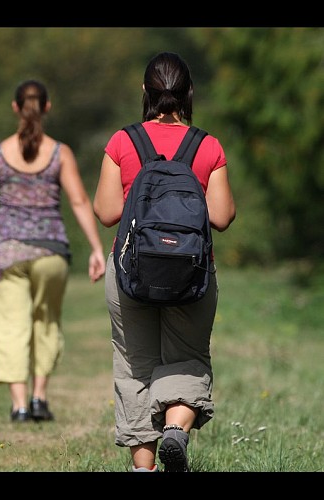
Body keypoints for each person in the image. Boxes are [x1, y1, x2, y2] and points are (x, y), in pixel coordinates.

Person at [93, 52, 236, 471]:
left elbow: (106, 213)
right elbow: (223, 217)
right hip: (190, 274)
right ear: (189, 92)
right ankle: (176, 429)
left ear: (146, 92)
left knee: (135, 366)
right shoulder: (207, 145)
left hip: (130, 272)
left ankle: (144, 468)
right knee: (187, 358)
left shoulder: (124, 142)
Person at [0, 79, 106, 423]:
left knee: (11, 326)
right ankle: (39, 399)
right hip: (51, 253)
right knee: (45, 323)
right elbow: (79, 200)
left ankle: (18, 406)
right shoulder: (60, 153)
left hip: (7, 253)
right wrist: (96, 248)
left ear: (16, 108)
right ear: (47, 108)